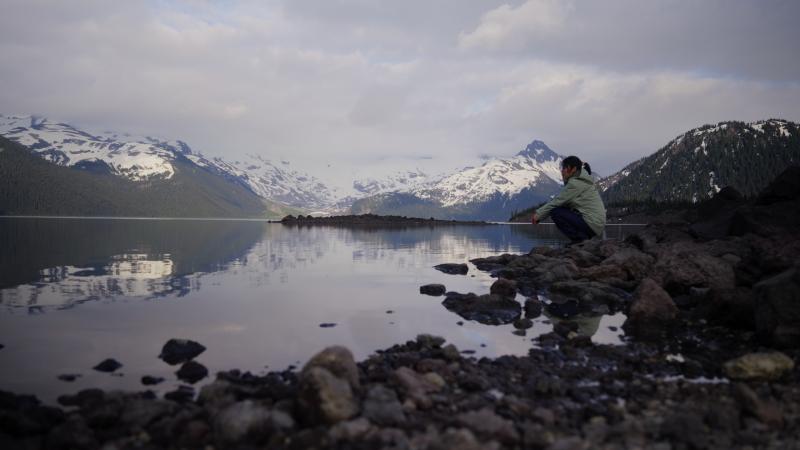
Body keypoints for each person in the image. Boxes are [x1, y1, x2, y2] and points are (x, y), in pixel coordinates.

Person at [531, 156, 606, 243]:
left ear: (574, 169)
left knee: (556, 212)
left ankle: (580, 240)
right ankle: (581, 239)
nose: (562, 171)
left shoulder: (576, 184)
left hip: (592, 223)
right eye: (563, 168)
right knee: (563, 208)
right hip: (595, 223)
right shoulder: (582, 180)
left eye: (565, 168)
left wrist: (538, 215)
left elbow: (557, 202)